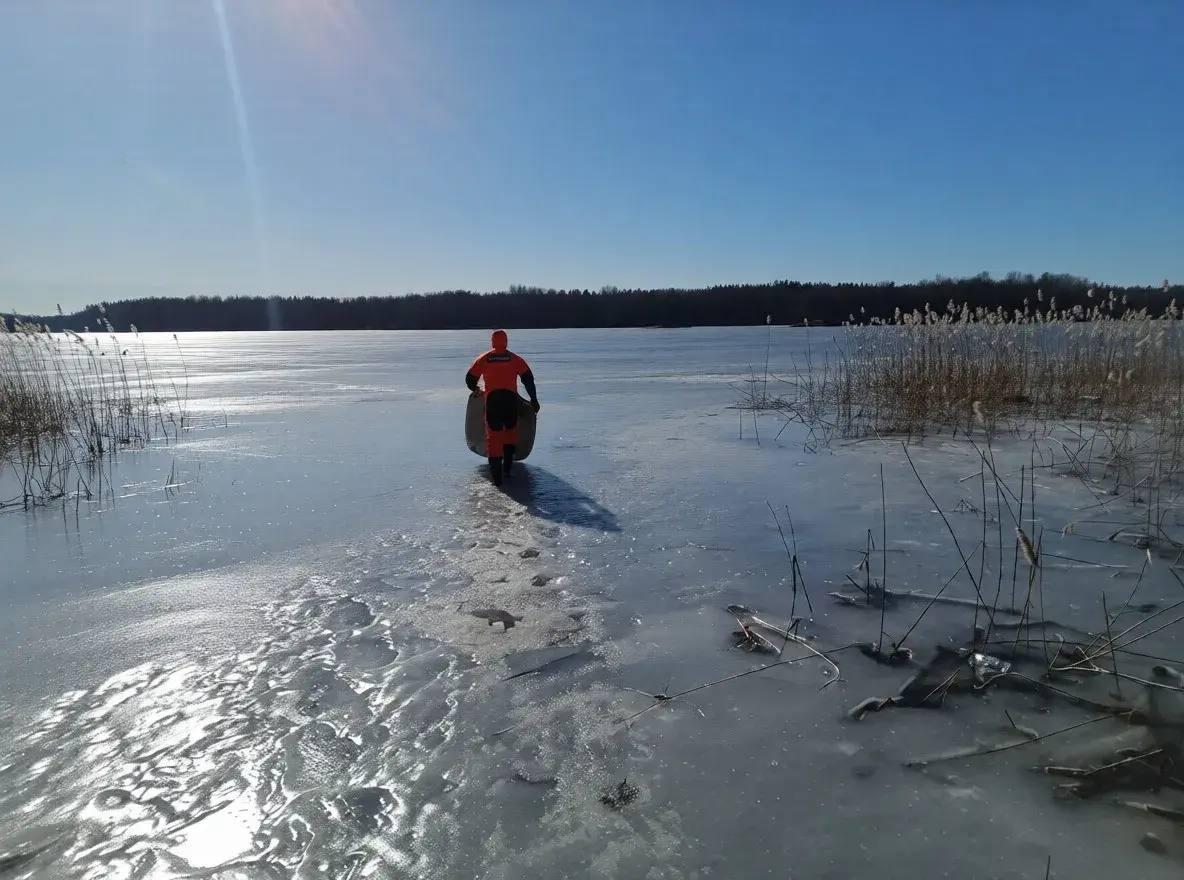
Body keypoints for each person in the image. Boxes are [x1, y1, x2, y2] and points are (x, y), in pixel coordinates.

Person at [465, 329, 540, 485]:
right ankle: (507, 470)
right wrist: (533, 399)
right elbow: (528, 379)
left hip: (493, 401)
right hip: (511, 401)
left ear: (493, 341)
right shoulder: (514, 359)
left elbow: (470, 379)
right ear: (506, 341)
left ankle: (497, 480)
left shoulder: (484, 358)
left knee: (494, 438)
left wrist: (477, 390)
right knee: (510, 434)